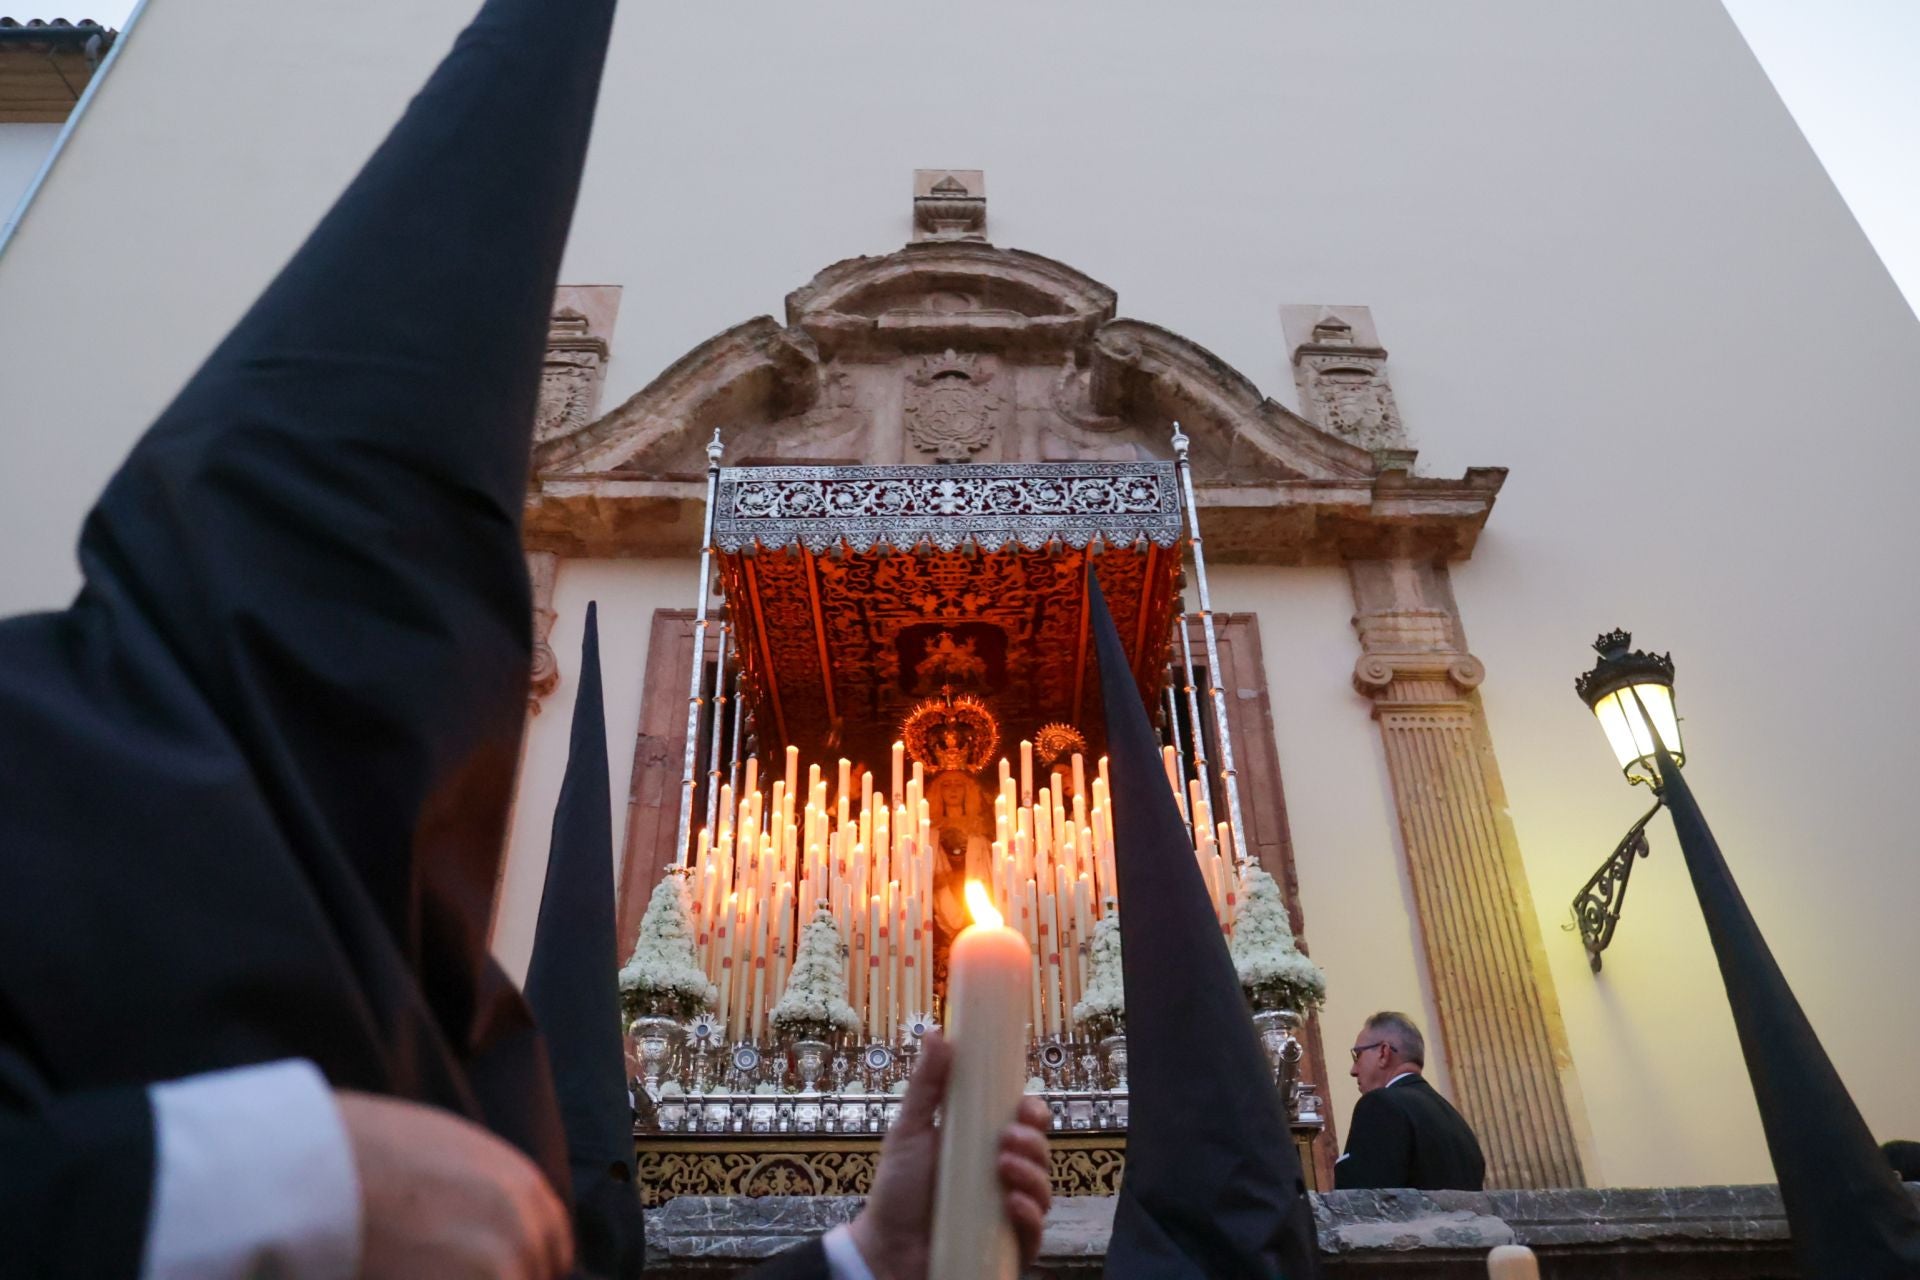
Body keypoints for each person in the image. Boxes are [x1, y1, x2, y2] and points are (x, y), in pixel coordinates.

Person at [1334, 1012, 1486, 1192]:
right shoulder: (1457, 1123)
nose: (1353, 1070)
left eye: (1357, 1056)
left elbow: (1362, 1201)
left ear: (1384, 1052)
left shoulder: (1380, 1105)